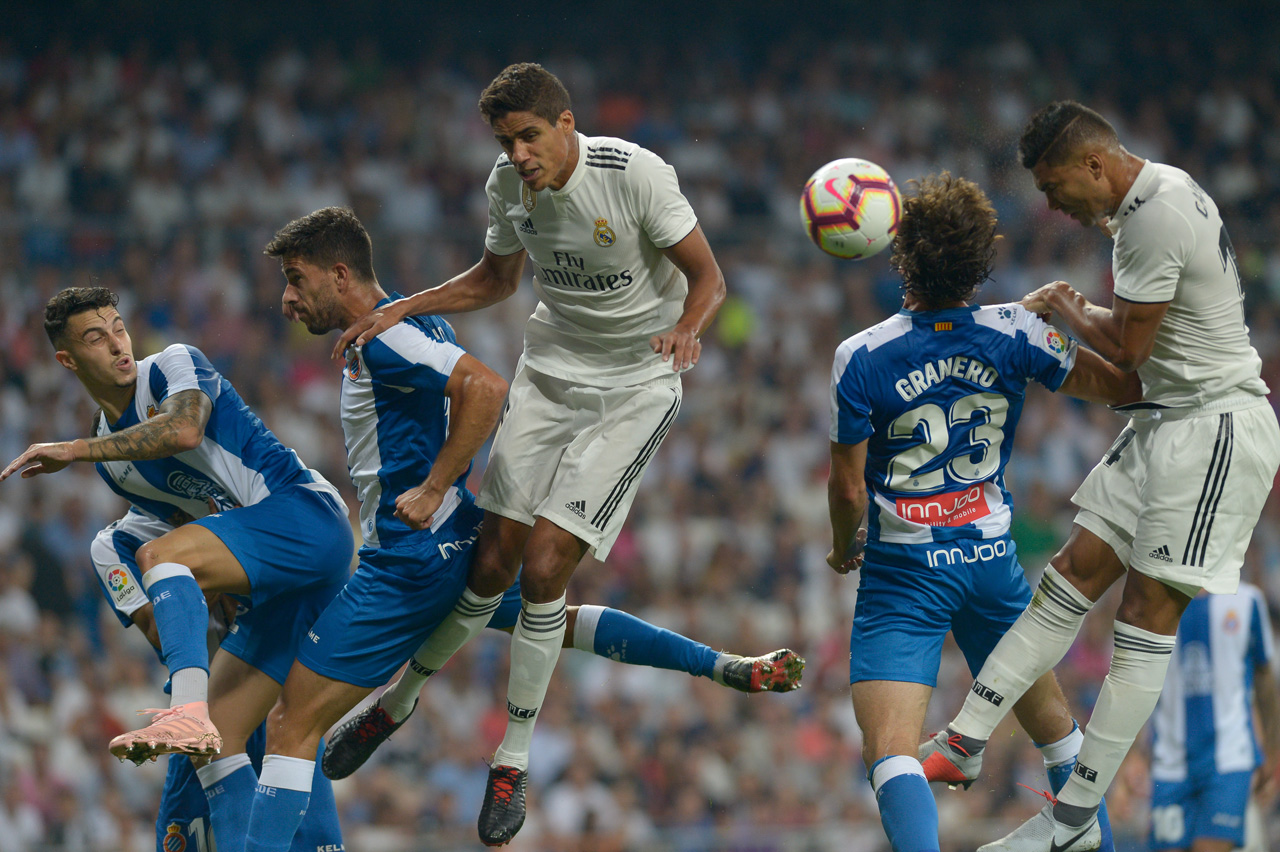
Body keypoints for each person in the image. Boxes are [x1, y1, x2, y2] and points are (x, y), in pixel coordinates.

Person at [245, 207, 797, 852]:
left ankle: (375, 728)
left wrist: (434, 484)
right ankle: (721, 666)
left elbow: (484, 388)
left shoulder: (388, 338)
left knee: (290, 725)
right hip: (454, 539)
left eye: (296, 278)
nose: (286, 299)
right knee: (554, 618)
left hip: (408, 559)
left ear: (340, 275)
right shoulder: (411, 322)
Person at [332, 62, 728, 845]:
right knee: (489, 565)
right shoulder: (507, 187)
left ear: (566, 124)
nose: (517, 154)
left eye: (528, 136)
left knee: (545, 567)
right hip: (548, 373)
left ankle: (511, 760)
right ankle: (396, 704)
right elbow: (497, 279)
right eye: (505, 141)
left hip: (635, 386)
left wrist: (689, 329)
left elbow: (709, 278)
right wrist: (404, 307)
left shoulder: (635, 173)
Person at [923, 100, 1280, 852]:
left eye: (1055, 188)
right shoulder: (1149, 201)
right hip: (1164, 421)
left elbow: (1125, 354)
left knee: (1144, 618)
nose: (1054, 207)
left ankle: (1073, 820)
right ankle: (964, 738)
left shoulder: (1153, 216)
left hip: (1214, 427)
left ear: (1093, 163)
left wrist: (1062, 303)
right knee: (1070, 573)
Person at [826, 172, 1140, 852]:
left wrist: (843, 543)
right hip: (990, 560)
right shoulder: (1016, 329)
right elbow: (1117, 386)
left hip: (904, 572)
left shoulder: (862, 356)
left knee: (892, 751)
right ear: (980, 262)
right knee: (1058, 735)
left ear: (901, 255)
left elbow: (848, 492)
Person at [1, 286, 353, 851]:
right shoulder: (115, 500)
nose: (118, 344)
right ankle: (197, 720)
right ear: (67, 360)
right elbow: (169, 613)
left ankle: (187, 710)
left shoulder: (172, 365)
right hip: (271, 599)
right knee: (232, 739)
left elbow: (185, 429)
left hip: (306, 519)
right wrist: (217, 594)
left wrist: (74, 450)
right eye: (96, 337)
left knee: (162, 559)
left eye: (119, 328)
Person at [1148, 583, 1280, 852]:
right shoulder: (1153, 601)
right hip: (1170, 762)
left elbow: (1264, 678)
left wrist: (1272, 749)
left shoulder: (1248, 600)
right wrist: (1133, 756)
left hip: (1230, 759)